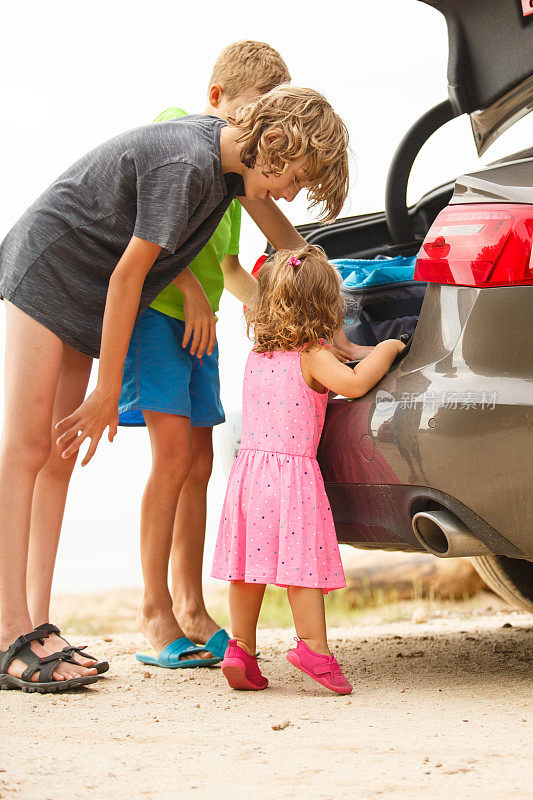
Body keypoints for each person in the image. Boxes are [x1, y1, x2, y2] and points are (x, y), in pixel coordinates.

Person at [0, 84, 350, 692]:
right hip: (52, 267)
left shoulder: (234, 171)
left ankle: (37, 626)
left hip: (86, 291)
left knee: (57, 458)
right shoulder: (188, 165)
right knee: (27, 449)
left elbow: (292, 246)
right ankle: (8, 632)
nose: (291, 192)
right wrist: (109, 388)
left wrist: (337, 331)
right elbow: (128, 278)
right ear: (271, 142)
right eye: (295, 176)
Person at [118, 41, 294, 669]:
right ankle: (153, 607)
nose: (251, 131)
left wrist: (261, 299)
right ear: (216, 97)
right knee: (170, 459)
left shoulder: (230, 179)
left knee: (199, 462)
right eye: (247, 113)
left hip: (200, 329)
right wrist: (190, 292)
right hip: (157, 316)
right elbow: (151, 233)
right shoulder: (177, 127)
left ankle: (192, 605)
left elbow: (226, 262)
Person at [212, 245, 405, 695]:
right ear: (325, 307)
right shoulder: (312, 355)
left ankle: (240, 647)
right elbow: (355, 383)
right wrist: (392, 347)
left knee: (248, 568)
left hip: (249, 475)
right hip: (292, 478)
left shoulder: (260, 353)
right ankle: (313, 648)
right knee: (301, 568)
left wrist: (351, 349)